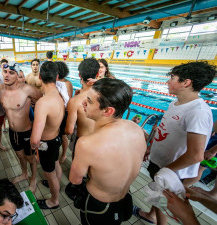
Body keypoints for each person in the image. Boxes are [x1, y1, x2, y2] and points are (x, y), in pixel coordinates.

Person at [138, 61, 215, 225]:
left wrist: (166, 170)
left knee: (163, 201)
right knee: (157, 196)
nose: (168, 81)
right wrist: (151, 149)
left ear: (186, 83)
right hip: (160, 163)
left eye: (172, 78)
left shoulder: (198, 112)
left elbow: (195, 155)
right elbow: (165, 132)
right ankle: (152, 215)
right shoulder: (176, 102)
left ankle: (159, 222)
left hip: (172, 170)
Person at [70, 78, 146, 224]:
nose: (83, 103)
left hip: (99, 208)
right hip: (126, 201)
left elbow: (75, 179)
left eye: (89, 101)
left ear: (108, 111)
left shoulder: (87, 144)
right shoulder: (137, 129)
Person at [0, 61, 42, 193]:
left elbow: (42, 103)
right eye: (5, 72)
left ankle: (33, 178)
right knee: (19, 155)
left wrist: (38, 128)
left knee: (30, 157)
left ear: (17, 75)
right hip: (13, 132)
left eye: (11, 73)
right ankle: (24, 174)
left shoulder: (26, 89)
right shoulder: (1, 88)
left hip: (26, 131)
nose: (7, 75)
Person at [64, 58, 99, 200]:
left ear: (80, 75)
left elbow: (69, 130)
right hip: (100, 140)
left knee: (77, 170)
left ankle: (77, 189)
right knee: (94, 170)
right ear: (97, 74)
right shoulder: (105, 95)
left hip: (82, 141)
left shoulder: (76, 101)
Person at [31, 61, 64, 209]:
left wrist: (34, 149)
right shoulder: (60, 95)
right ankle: (56, 184)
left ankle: (54, 200)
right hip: (56, 139)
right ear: (57, 77)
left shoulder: (43, 103)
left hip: (46, 144)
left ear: (40, 77)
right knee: (55, 164)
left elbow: (35, 139)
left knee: (49, 175)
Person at [55, 61, 72, 164]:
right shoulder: (52, 82)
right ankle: (56, 153)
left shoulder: (67, 83)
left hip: (64, 113)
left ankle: (64, 154)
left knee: (63, 135)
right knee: (56, 134)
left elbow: (69, 100)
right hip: (55, 113)